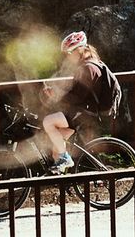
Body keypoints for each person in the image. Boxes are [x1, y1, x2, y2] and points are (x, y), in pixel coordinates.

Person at [36, 30, 120, 170]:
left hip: (84, 114)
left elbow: (77, 96)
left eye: (70, 53)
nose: (68, 57)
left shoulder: (89, 68)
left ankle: (65, 159)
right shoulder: (90, 64)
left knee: (48, 122)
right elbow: (77, 93)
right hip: (85, 112)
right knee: (56, 144)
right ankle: (62, 177)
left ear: (80, 50)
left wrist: (55, 98)